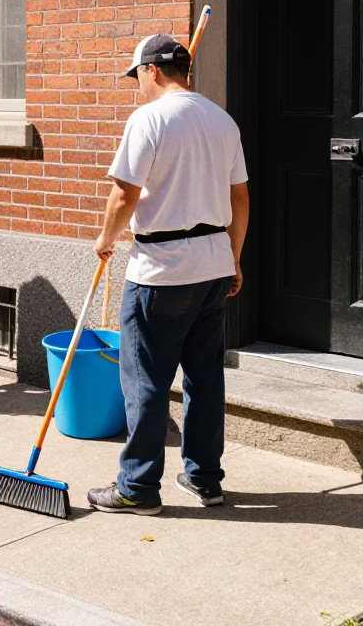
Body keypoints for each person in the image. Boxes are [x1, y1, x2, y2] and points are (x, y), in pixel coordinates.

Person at [88, 33, 249, 515]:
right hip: (213, 264)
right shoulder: (222, 120)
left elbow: (123, 195)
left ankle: (137, 486)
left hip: (161, 271)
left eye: (136, 75)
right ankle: (204, 478)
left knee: (146, 380)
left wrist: (105, 239)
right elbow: (240, 199)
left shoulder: (148, 120)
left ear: (152, 71)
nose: (136, 85)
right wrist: (234, 258)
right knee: (205, 377)